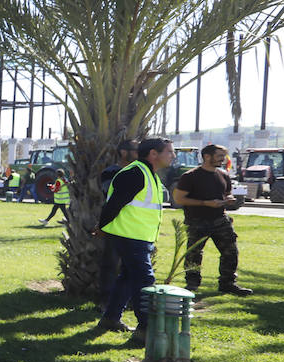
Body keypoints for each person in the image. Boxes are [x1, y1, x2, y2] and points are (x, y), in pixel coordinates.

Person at [92, 137, 175, 340]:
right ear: (153, 154)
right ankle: (145, 329)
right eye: (169, 151)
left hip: (138, 236)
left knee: (128, 277)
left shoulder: (148, 174)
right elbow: (113, 204)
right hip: (129, 236)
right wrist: (102, 227)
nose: (173, 156)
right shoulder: (135, 173)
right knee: (144, 280)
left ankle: (111, 318)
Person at [172, 143, 252, 295]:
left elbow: (227, 193)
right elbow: (179, 199)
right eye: (219, 156)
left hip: (220, 220)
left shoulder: (223, 175)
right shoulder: (190, 176)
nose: (223, 159)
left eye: (224, 156)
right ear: (207, 156)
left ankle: (228, 283)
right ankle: (192, 283)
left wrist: (229, 199)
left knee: (231, 252)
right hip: (197, 221)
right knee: (194, 254)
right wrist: (205, 203)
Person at [97, 139, 139, 300]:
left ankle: (129, 299)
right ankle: (106, 301)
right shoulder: (111, 172)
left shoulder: (142, 172)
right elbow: (111, 195)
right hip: (115, 225)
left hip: (137, 226)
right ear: (123, 152)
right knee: (110, 265)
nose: (139, 153)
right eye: (136, 150)